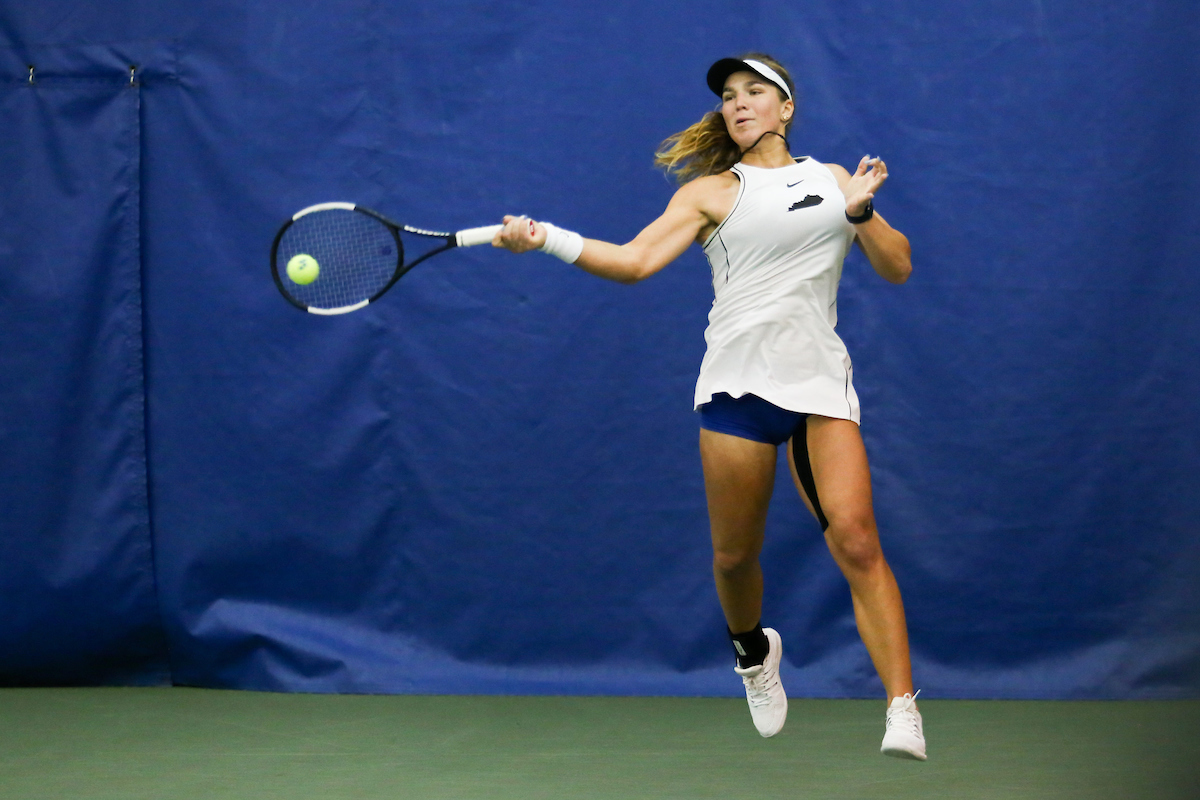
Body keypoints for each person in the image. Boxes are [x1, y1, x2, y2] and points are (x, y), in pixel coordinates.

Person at [493, 53, 926, 761]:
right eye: (729, 96)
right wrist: (546, 240)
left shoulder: (836, 181)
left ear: (787, 108)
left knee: (855, 537)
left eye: (756, 92)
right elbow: (633, 263)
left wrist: (862, 213)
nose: (739, 103)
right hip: (736, 385)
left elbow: (898, 265)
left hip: (818, 384)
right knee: (733, 558)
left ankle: (902, 707)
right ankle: (754, 654)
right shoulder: (708, 195)